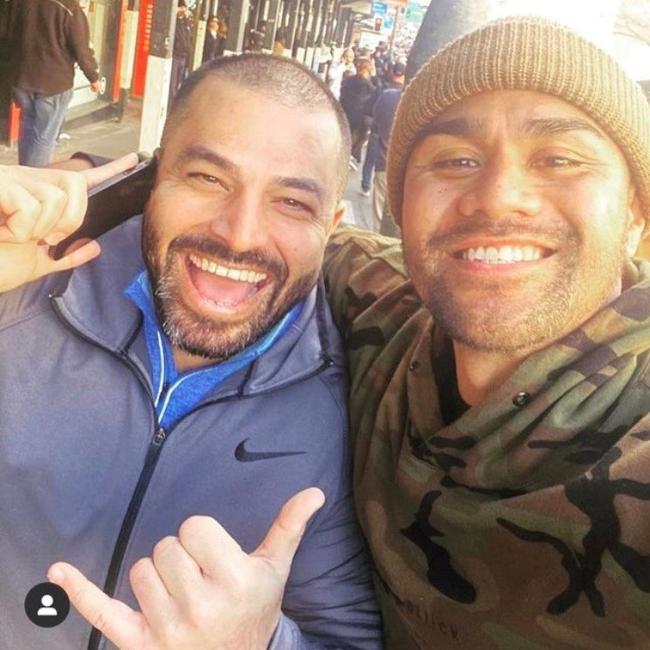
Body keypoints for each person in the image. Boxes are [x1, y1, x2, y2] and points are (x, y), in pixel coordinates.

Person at [0, 55, 381, 650]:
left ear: (331, 227)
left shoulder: (341, 413)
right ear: (153, 179)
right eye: (207, 178)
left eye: (292, 203)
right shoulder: (21, 288)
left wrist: (262, 644)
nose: (240, 233)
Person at [323, 16, 650, 649]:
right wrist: (89, 188)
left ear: (636, 215)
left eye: (559, 158)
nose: (498, 197)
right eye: (456, 160)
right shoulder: (384, 317)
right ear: (401, 208)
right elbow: (284, 232)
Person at [7, 0, 100, 167]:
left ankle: (24, 173)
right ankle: (35, 181)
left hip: (22, 77)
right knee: (44, 136)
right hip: (53, 83)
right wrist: (93, 77)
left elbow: (7, 33)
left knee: (28, 126)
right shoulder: (69, 7)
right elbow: (81, 49)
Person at [360, 61, 405, 221]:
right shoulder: (422, 101)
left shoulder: (388, 96)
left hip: (384, 160)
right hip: (408, 170)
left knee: (379, 211)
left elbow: (375, 116)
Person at [340, 58, 377, 166]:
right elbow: (372, 102)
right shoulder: (370, 86)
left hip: (346, 113)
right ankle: (351, 154)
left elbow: (342, 96)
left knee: (345, 135)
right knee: (359, 137)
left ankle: (344, 154)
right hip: (360, 117)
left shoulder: (348, 80)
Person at [170, 0, 193, 98]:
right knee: (173, 83)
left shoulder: (185, 22)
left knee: (180, 81)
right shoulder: (174, 21)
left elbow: (188, 37)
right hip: (175, 55)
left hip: (183, 56)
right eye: (182, 7)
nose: (184, 10)